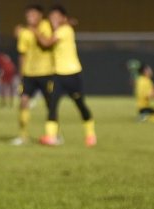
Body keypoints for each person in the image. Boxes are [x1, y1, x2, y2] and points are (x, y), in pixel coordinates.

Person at [36, 5, 96, 147]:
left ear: (63, 18)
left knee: (80, 104)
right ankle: (51, 136)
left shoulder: (65, 30)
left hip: (72, 74)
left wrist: (35, 32)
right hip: (58, 75)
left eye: (57, 17)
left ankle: (90, 134)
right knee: (52, 105)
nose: (53, 20)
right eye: (52, 17)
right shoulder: (59, 29)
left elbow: (46, 42)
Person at [11, 4, 55, 146]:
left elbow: (46, 44)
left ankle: (53, 134)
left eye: (33, 14)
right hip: (29, 74)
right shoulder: (24, 33)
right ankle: (23, 136)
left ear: (40, 15)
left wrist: (34, 31)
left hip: (46, 72)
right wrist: (21, 75)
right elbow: (22, 55)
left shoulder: (46, 26)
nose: (30, 17)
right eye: (28, 15)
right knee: (23, 102)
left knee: (51, 104)